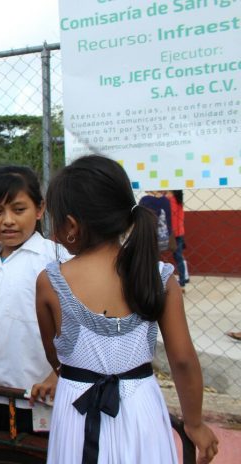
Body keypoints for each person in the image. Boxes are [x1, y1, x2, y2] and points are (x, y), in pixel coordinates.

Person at [35, 155, 218, 463]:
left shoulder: (50, 282)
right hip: (141, 411)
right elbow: (184, 360)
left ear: (71, 226)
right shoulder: (159, 277)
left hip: (76, 411)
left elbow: (56, 356)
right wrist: (194, 423)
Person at [0, 165, 68, 435]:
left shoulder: (56, 260)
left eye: (18, 209)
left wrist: (57, 375)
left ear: (39, 209)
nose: (8, 221)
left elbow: (78, 325)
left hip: (37, 395)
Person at [138, 190, 174, 255]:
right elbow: (169, 220)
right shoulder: (165, 201)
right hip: (164, 237)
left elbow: (141, 218)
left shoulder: (145, 200)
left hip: (148, 237)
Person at [167, 190, 189, 290]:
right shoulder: (179, 200)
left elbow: (172, 218)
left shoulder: (169, 200)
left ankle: (183, 279)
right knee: (179, 257)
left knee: (177, 257)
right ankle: (183, 280)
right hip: (180, 232)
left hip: (172, 233)